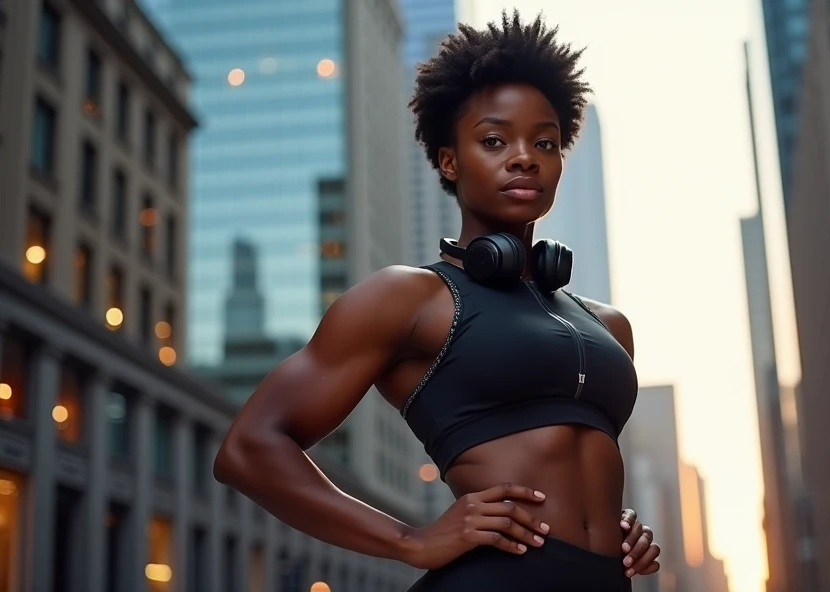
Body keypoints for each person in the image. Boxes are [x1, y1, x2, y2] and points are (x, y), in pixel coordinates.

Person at [213, 9, 660, 591]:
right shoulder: (411, 297)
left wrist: (615, 523)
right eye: (494, 140)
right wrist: (410, 539)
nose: (524, 156)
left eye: (544, 142)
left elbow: (574, 464)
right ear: (450, 161)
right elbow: (248, 449)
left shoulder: (608, 325)